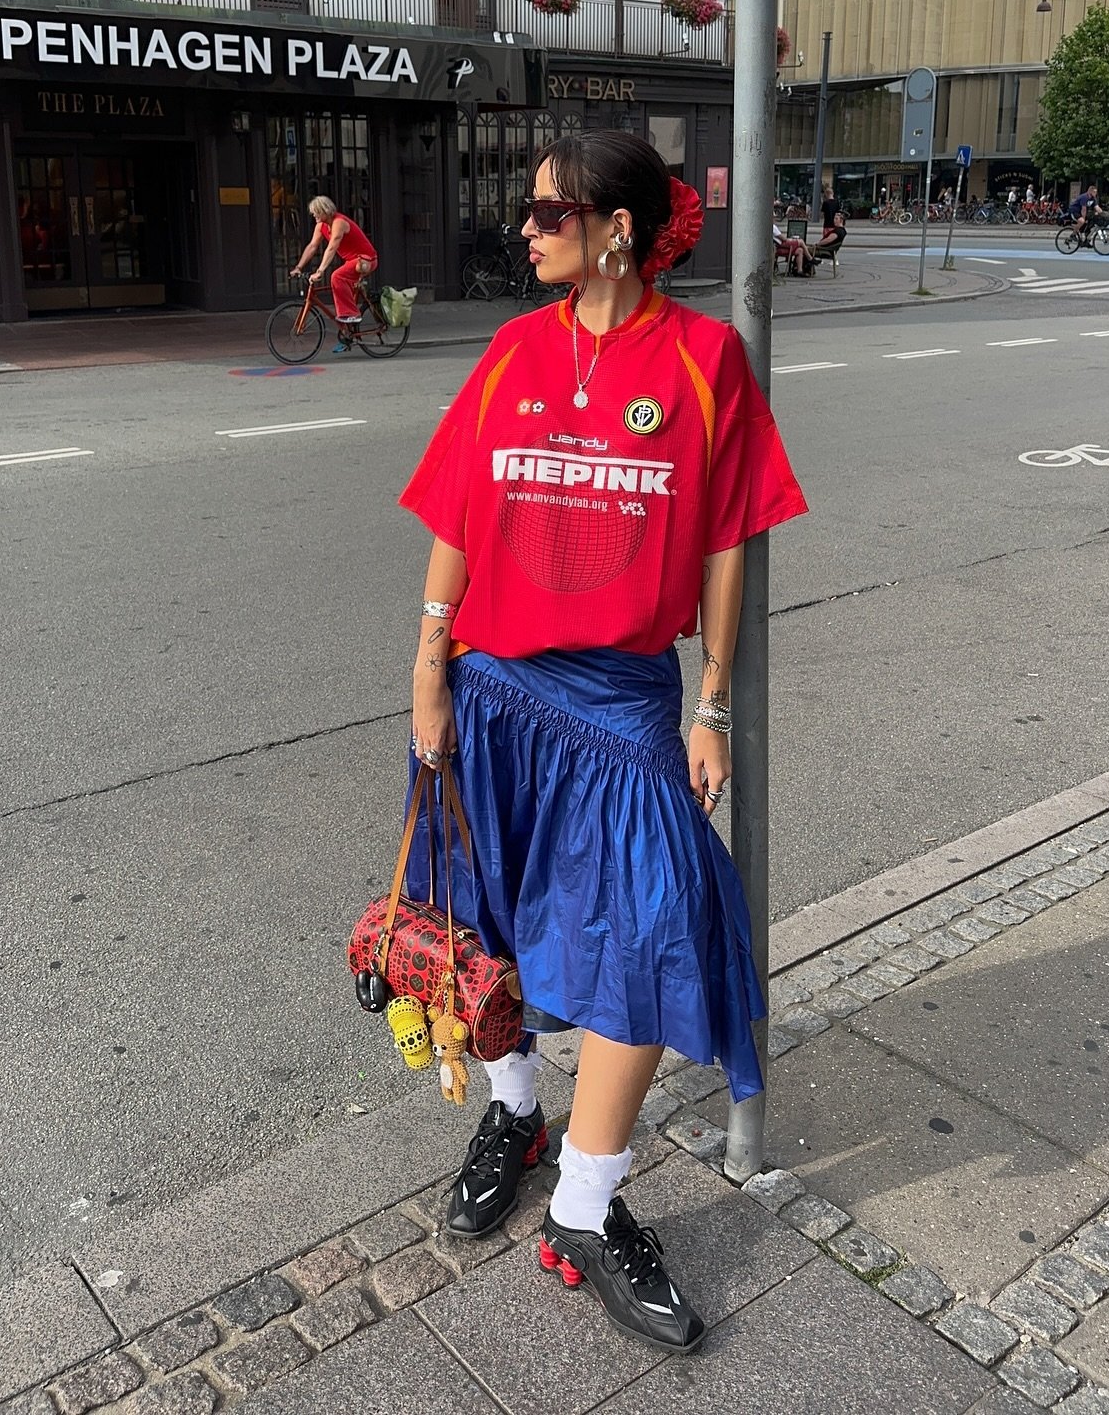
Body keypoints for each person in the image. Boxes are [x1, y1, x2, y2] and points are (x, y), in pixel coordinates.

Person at [400, 130, 807, 1356]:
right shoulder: (514, 350)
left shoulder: (703, 361)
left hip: (625, 698)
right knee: (489, 919)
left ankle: (584, 1205)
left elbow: (727, 540)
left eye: (546, 214)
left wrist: (713, 702)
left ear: (614, 228)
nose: (523, 232)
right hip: (491, 687)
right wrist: (427, 666)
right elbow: (459, 513)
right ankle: (517, 1111)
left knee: (652, 935)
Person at [291, 195, 378, 347]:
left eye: (316, 212)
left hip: (366, 259)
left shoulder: (339, 222)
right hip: (352, 261)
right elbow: (312, 246)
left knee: (337, 276)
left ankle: (351, 314)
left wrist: (320, 271)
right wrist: (299, 267)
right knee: (341, 278)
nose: (314, 215)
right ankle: (348, 330)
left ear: (325, 210)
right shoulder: (321, 226)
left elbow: (332, 248)